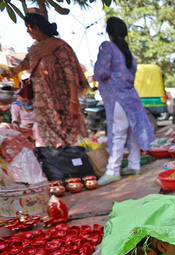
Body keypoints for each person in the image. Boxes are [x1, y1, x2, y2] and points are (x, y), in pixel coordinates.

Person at [4, 12, 89, 146]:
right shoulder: (34, 49)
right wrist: (11, 73)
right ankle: (54, 162)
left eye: (28, 28)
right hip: (42, 103)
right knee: (48, 139)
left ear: (36, 28)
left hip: (62, 101)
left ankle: (73, 163)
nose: (27, 32)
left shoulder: (60, 47)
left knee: (68, 136)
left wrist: (73, 101)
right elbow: (25, 63)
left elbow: (71, 75)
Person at [94, 17, 155, 186]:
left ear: (109, 32)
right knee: (132, 133)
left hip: (117, 98)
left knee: (117, 133)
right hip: (131, 98)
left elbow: (101, 72)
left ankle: (112, 171)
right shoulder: (130, 55)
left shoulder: (107, 47)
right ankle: (134, 165)